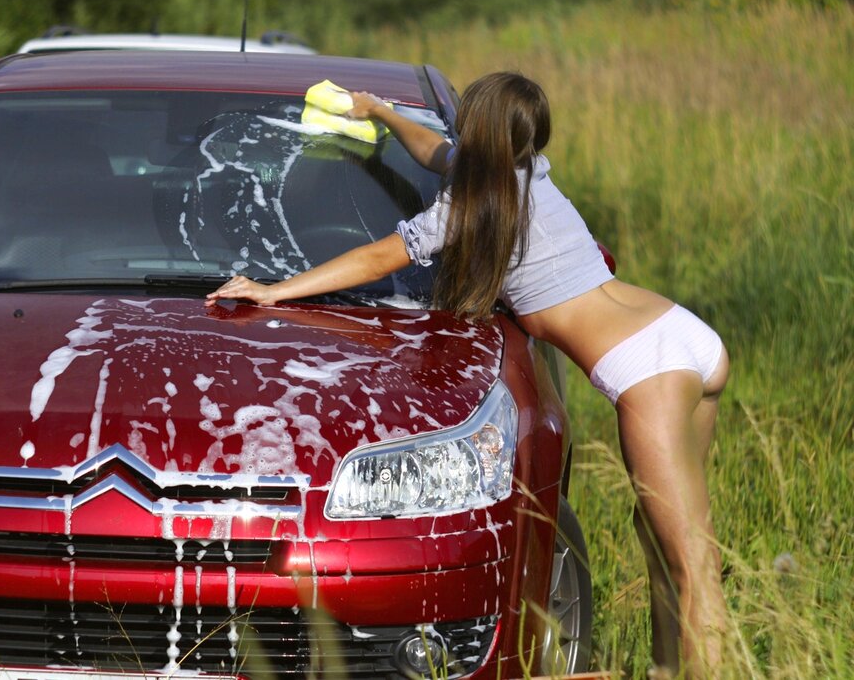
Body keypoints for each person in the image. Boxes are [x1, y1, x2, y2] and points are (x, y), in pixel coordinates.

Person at [205, 72, 729, 677]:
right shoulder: (524, 173)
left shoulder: (470, 208)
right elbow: (435, 152)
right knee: (667, 549)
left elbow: (377, 257)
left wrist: (274, 291)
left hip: (649, 368)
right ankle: (670, 669)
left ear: (475, 130)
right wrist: (379, 111)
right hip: (679, 332)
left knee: (691, 567)